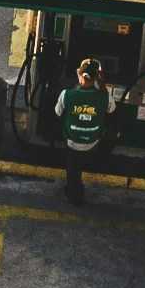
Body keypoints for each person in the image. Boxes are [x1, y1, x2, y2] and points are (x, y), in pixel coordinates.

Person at [51, 59, 119, 203]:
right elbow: (112, 112)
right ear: (96, 77)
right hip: (92, 141)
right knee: (109, 132)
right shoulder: (105, 96)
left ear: (80, 76)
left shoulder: (67, 94)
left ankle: (74, 193)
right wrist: (102, 84)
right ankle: (96, 163)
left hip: (71, 140)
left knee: (72, 163)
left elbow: (57, 115)